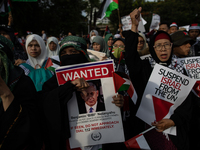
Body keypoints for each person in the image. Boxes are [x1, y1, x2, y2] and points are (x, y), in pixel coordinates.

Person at [125, 7, 193, 150]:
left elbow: (188, 103)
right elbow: (131, 58)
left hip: (175, 132)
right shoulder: (144, 67)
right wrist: (134, 26)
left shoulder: (181, 69)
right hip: (149, 130)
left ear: (171, 47)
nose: (163, 49)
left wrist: (173, 121)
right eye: (159, 45)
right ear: (152, 48)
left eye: (166, 45)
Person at [41, 35, 124, 149]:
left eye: (73, 51)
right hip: (70, 141)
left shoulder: (102, 77)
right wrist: (68, 87)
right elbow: (46, 103)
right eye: (64, 53)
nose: (68, 56)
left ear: (82, 53)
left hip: (103, 138)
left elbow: (112, 104)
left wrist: (118, 102)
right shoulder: (53, 82)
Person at [0, 35, 41, 149]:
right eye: (30, 45)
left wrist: (6, 95)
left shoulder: (22, 83)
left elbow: (30, 129)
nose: (33, 48)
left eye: (36, 45)